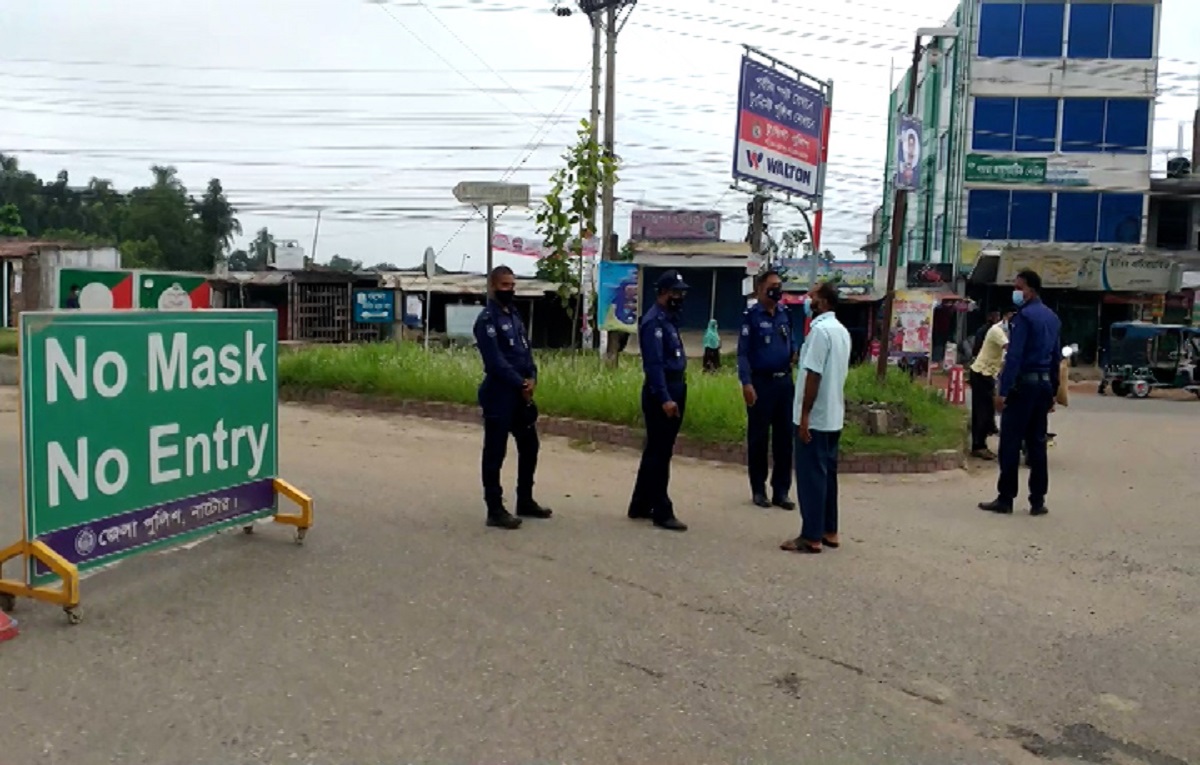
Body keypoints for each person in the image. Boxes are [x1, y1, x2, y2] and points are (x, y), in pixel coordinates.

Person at [473, 266, 552, 530]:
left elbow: (525, 352)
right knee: (495, 452)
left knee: (530, 446)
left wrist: (532, 378)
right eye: (505, 285)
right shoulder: (486, 321)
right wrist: (520, 382)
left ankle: (525, 500)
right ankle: (494, 508)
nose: (510, 290)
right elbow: (495, 362)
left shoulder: (515, 316)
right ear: (493, 287)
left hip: (521, 394)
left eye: (512, 285)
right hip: (499, 394)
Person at [979, 270, 1061, 517]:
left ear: (1030, 290)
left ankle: (1005, 498)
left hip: (1023, 386)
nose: (1015, 292)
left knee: (1011, 443)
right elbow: (1056, 358)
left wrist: (1002, 391)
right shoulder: (1052, 317)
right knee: (1037, 444)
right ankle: (1038, 501)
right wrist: (1053, 392)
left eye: (1018, 287)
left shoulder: (1023, 317)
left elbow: (1014, 356)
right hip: (1043, 385)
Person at [781, 281, 851, 554]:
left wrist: (805, 415)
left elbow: (813, 375)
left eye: (811, 296)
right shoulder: (841, 331)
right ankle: (829, 530)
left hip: (817, 417)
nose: (807, 301)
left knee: (811, 477)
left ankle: (811, 536)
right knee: (827, 476)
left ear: (821, 302)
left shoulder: (820, 332)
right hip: (834, 415)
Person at [627, 269, 690, 532]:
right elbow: (653, 365)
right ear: (664, 293)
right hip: (662, 392)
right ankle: (661, 510)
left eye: (681, 293)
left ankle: (640, 503)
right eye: (676, 292)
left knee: (656, 449)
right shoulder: (654, 322)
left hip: (675, 385)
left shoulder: (669, 319)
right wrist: (665, 398)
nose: (680, 297)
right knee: (660, 453)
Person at [737, 270, 798, 510]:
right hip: (761, 384)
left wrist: (793, 350)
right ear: (760, 288)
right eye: (772, 286)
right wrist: (746, 383)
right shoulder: (751, 316)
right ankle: (759, 490)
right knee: (759, 439)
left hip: (784, 383)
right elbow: (742, 353)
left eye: (779, 286)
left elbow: (792, 340)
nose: (777, 290)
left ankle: (781, 491)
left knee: (784, 439)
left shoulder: (785, 313)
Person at [968, 310, 1012, 460]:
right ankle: (978, 446)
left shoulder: (1005, 333)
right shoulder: (996, 331)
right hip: (981, 374)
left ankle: (982, 442)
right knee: (982, 411)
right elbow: (1010, 349)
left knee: (988, 411)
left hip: (988, 375)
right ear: (1007, 317)